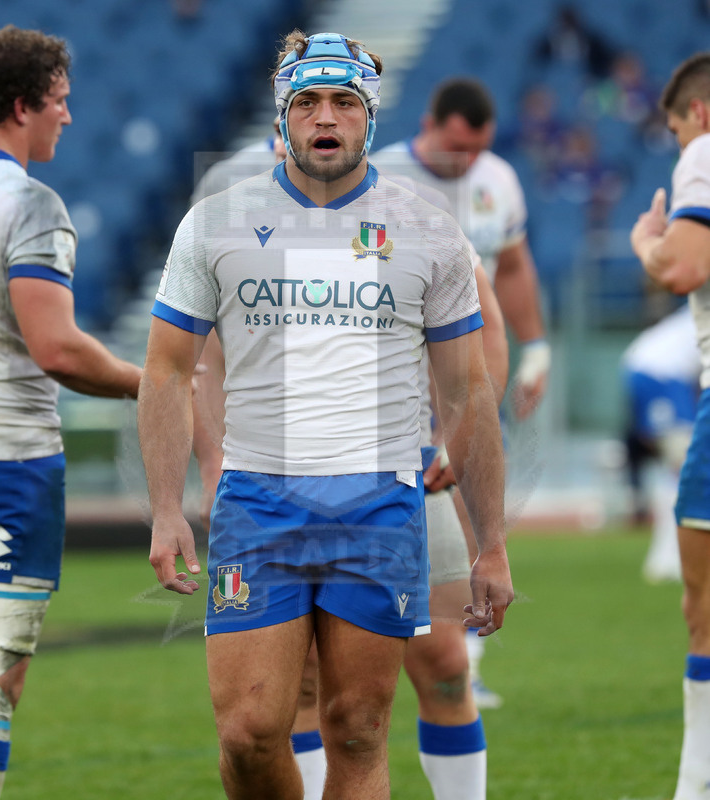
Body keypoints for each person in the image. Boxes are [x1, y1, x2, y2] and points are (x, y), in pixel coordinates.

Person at [138, 29, 513, 800]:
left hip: (378, 504)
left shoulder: (427, 228)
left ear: (370, 117)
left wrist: (492, 543)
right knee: (248, 736)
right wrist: (167, 509)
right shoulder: (216, 223)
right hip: (257, 503)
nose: (325, 116)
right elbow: (170, 369)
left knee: (357, 729)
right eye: (306, 102)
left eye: (344, 101)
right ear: (282, 117)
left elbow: (468, 391)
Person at [0, 25, 142, 800]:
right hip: (2, 464)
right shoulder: (28, 204)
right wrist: (153, 382)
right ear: (24, 105)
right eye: (60, 102)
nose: (69, 117)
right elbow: (57, 350)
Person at [374, 76, 549, 709]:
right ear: (429, 124)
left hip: (469, 367)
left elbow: (513, 269)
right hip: (400, 384)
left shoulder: (498, 180)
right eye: (456, 148)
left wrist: (539, 349)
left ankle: (464, 657)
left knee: (473, 507)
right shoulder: (382, 175)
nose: (466, 163)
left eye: (477, 150)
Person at [630, 51, 710, 800]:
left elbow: (682, 268)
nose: (679, 146)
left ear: (700, 114)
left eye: (677, 130)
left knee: (704, 610)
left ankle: (697, 786)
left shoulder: (706, 155)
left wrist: (646, 244)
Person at [620, 304, 700, 582]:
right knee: (684, 465)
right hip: (660, 375)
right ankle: (668, 558)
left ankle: (669, 556)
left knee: (681, 467)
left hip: (652, 372)